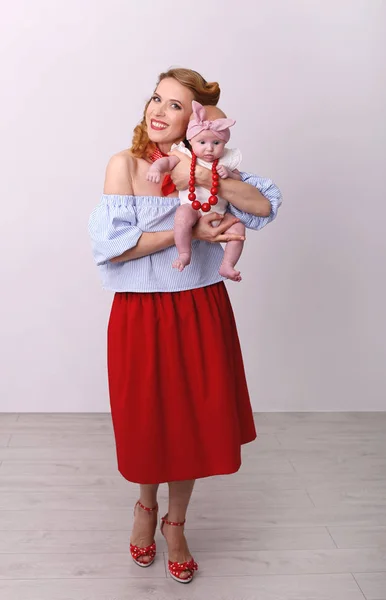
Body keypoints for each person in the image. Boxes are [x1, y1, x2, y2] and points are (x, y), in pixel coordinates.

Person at [88, 67, 282, 584]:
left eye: (175, 105)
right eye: (156, 98)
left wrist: (202, 178)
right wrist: (192, 230)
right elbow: (112, 248)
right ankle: (145, 509)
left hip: (199, 306)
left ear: (197, 118)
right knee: (148, 419)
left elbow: (264, 207)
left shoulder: (207, 165)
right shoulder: (125, 165)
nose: (159, 111)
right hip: (140, 310)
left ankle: (176, 524)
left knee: (194, 420)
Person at [147, 100, 245, 281]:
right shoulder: (185, 156)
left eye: (216, 142)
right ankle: (184, 252)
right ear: (191, 141)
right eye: (202, 142)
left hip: (218, 213)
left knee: (238, 227)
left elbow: (240, 182)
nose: (209, 148)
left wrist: (230, 174)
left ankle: (227, 264)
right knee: (182, 215)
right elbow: (167, 162)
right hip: (193, 208)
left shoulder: (226, 160)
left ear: (224, 142)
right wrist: (156, 168)